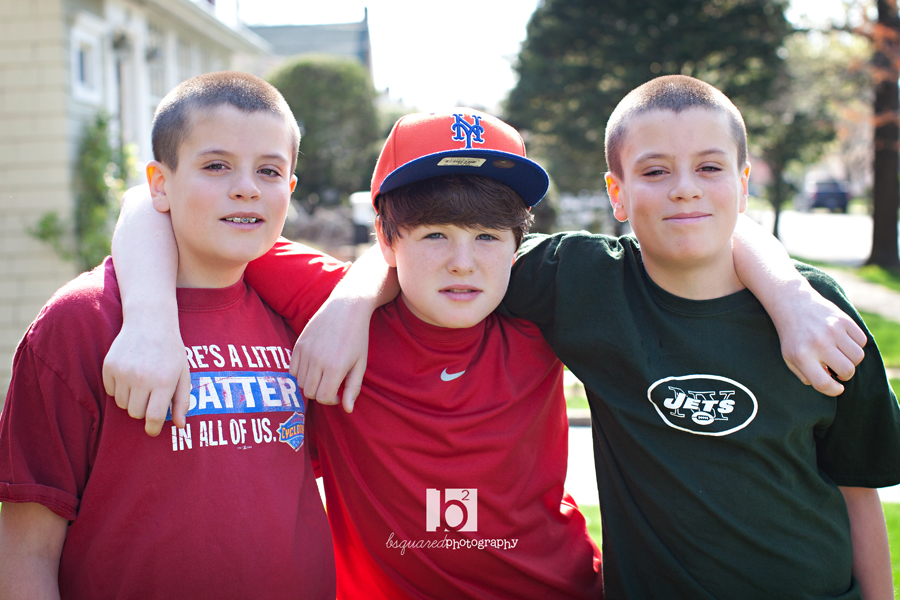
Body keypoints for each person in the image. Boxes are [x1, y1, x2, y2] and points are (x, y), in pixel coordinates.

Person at [103, 107, 870, 598]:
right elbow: (151, 203)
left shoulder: (546, 305)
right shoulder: (328, 301)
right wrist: (152, 324)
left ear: (518, 244)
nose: (463, 263)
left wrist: (790, 296)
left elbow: (704, 224)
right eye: (434, 235)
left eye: (486, 237)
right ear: (387, 238)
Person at [499, 75, 900, 598]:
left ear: (744, 184)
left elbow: (858, 487)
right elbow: (458, 260)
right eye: (655, 171)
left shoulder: (818, 311)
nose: (685, 188)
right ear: (617, 194)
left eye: (710, 167)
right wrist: (367, 291)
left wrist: (787, 294)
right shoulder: (580, 282)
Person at [0, 71, 345, 599]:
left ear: (289, 189)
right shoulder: (82, 321)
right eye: (216, 165)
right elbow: (25, 548)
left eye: (269, 170)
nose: (247, 187)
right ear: (160, 184)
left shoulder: (302, 316)